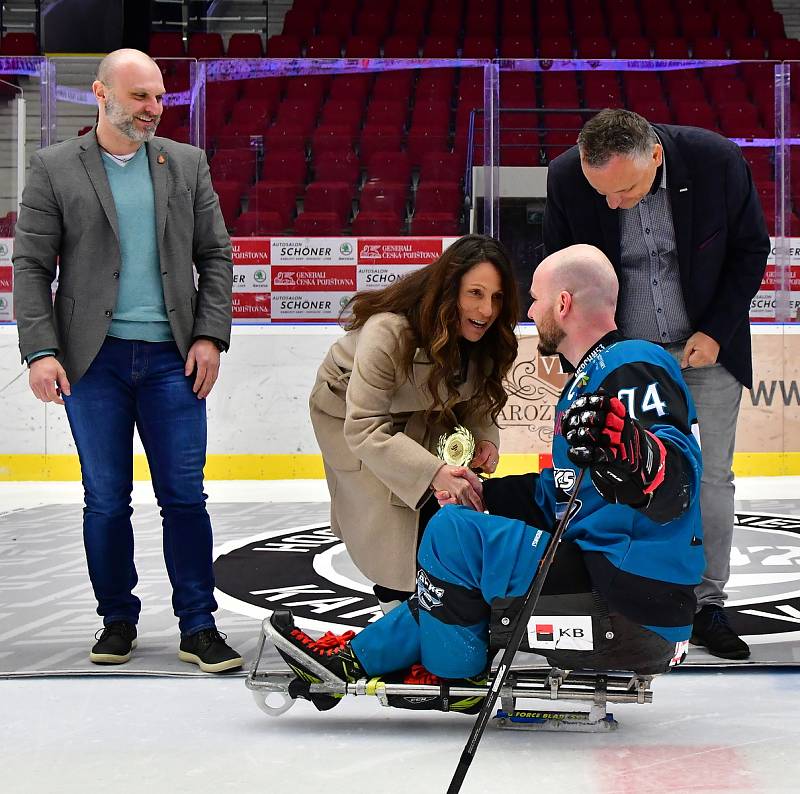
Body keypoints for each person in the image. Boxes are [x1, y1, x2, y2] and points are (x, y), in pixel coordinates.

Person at [268, 244, 705, 708]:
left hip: (627, 601)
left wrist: (638, 452)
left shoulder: (632, 362)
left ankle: (454, 678)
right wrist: (486, 493)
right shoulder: (588, 378)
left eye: (534, 299)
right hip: (611, 578)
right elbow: (562, 492)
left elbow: (676, 483)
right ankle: (352, 660)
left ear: (563, 304)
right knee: (460, 532)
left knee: (453, 534)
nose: (527, 311)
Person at [12, 49, 241, 673]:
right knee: (106, 499)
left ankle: (198, 625)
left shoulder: (185, 165)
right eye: (141, 96)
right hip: (93, 363)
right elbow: (31, 267)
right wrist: (40, 350)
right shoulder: (55, 167)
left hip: (174, 359)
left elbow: (216, 257)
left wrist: (209, 337)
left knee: (184, 497)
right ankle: (117, 619)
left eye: (160, 97)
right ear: (100, 94)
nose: (153, 109)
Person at [543, 108, 770, 660]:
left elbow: (749, 249)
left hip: (706, 350)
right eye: (603, 193)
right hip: (624, 361)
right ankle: (634, 597)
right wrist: (582, 355)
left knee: (710, 477)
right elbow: (562, 272)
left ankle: (707, 605)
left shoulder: (716, 161)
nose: (612, 203)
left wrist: (716, 331)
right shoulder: (569, 177)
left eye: (625, 189)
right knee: (620, 475)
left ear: (657, 157)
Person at [309, 234, 519, 613]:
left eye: (497, 297)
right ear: (449, 289)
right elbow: (364, 427)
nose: (486, 310)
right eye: (475, 293)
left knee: (442, 505)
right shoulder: (387, 331)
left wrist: (486, 441)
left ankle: (438, 604)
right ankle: (399, 607)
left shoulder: (486, 338)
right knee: (392, 523)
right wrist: (434, 470)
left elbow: (480, 403)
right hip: (349, 416)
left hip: (421, 412)